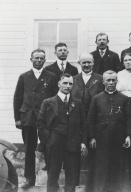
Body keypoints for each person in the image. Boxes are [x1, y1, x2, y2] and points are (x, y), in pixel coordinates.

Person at [13, 48, 57, 189]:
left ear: (45, 60)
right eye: (36, 58)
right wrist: (17, 118)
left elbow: (56, 98)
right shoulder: (24, 76)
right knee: (29, 149)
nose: (39, 60)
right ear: (31, 60)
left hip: (46, 117)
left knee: (49, 148)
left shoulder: (51, 76)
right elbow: (18, 98)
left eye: (41, 58)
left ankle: (52, 181)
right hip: (28, 117)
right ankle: (29, 179)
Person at [37, 73, 87, 192]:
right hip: (54, 142)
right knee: (53, 173)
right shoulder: (48, 102)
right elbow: (40, 123)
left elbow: (83, 124)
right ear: (59, 84)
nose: (68, 86)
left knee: (71, 174)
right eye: (65, 83)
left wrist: (83, 142)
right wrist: (48, 140)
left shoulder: (78, 103)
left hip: (73, 142)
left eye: (70, 84)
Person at [87, 70, 131, 192]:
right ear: (103, 82)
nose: (111, 82)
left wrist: (128, 135)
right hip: (101, 138)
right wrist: (92, 137)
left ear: (117, 81)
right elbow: (91, 119)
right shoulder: (96, 99)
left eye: (113, 80)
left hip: (119, 137)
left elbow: (130, 119)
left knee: (118, 166)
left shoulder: (124, 98)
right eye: (108, 80)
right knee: (101, 166)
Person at [70, 53, 104, 185]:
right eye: (83, 62)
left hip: (96, 119)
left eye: (89, 62)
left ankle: (94, 182)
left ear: (93, 63)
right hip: (77, 119)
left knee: (95, 149)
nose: (86, 65)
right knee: (75, 149)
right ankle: (75, 181)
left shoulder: (101, 79)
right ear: (79, 63)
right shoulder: (73, 79)